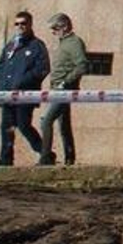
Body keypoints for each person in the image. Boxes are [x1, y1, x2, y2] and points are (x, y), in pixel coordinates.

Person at [0, 10, 48, 165]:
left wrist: (23, 81)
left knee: (24, 126)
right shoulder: (11, 45)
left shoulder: (37, 45)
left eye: (23, 23)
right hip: (7, 94)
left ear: (30, 24)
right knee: (6, 128)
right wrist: (1, 80)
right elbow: (1, 65)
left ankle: (46, 154)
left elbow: (42, 68)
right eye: (17, 24)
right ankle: (6, 160)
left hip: (25, 95)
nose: (20, 26)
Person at [37, 13, 87, 166]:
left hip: (64, 91)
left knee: (46, 122)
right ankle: (70, 159)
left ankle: (45, 158)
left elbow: (82, 65)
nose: (53, 32)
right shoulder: (64, 42)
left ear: (65, 27)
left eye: (55, 28)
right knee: (64, 125)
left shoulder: (74, 43)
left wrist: (65, 82)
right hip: (57, 90)